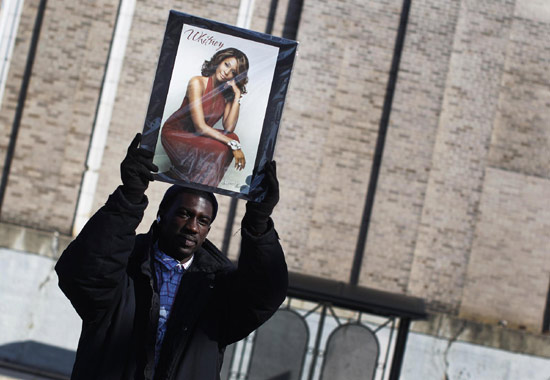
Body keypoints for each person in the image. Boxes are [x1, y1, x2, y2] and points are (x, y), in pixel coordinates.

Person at [55, 133, 287, 380]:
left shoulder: (217, 287)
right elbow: (84, 272)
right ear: (162, 214)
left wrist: (259, 223)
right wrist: (129, 196)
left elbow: (264, 295)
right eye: (185, 214)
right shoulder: (125, 266)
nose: (192, 227)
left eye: (203, 221)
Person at [160, 48, 249, 187]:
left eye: (233, 72)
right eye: (226, 65)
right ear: (219, 61)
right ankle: (202, 185)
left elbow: (229, 128)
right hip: (177, 134)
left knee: (233, 136)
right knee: (226, 145)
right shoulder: (197, 82)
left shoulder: (226, 94)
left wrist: (237, 96)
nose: (227, 72)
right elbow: (200, 127)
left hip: (198, 136)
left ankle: (202, 185)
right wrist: (234, 146)